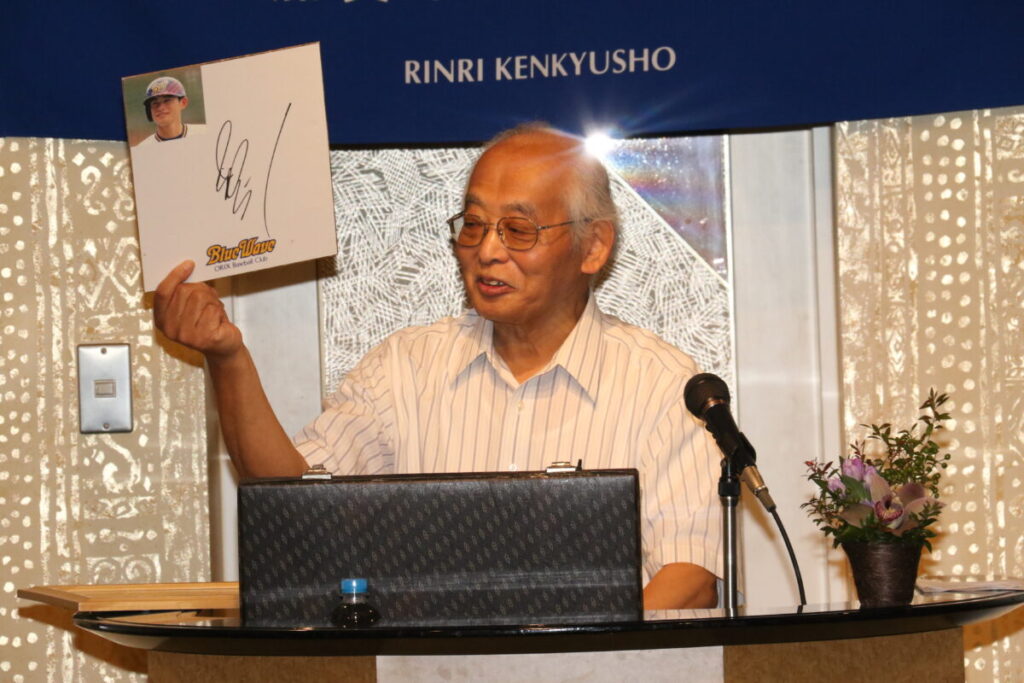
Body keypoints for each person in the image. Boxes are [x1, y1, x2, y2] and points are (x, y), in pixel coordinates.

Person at [153, 124, 722, 609]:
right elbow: (295, 506)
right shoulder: (405, 368)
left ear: (593, 246)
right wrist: (228, 358)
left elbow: (690, 576)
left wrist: (567, 662)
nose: (487, 251)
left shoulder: (662, 384)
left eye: (518, 229)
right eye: (473, 224)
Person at [137, 76, 203, 145]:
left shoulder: (203, 133)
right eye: (155, 103)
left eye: (167, 100)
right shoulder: (143, 147)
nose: (160, 107)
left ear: (183, 102)